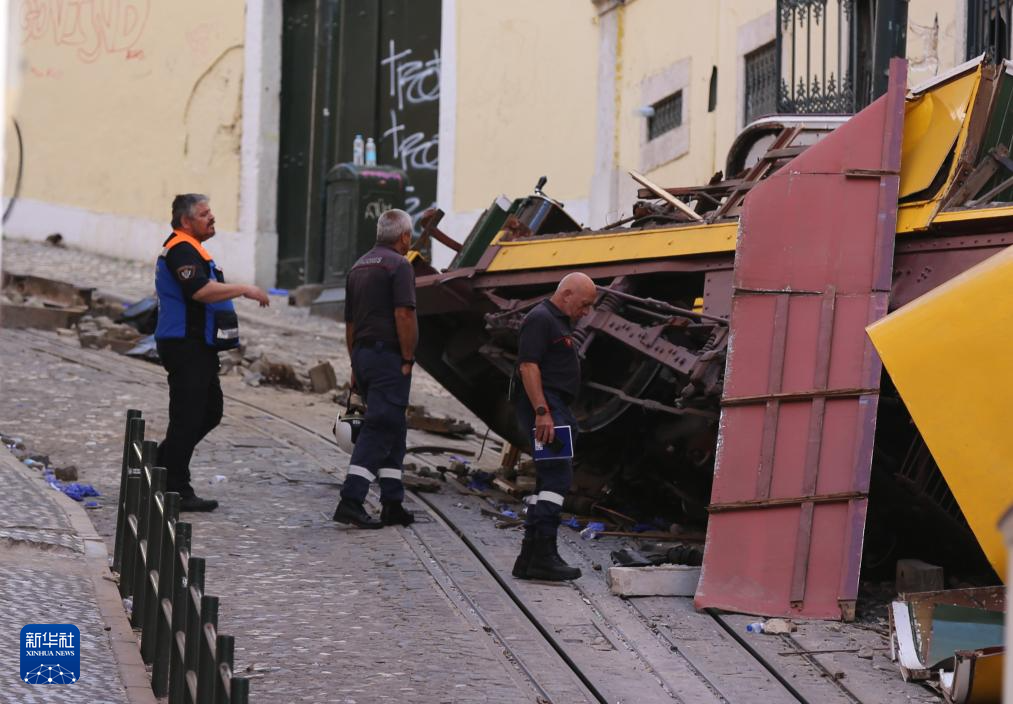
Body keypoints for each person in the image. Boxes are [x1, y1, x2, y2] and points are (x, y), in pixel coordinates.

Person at [154, 194, 270, 512]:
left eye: (210, 212)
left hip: (199, 346)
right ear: (186, 220)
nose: (212, 218)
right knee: (188, 416)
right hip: (184, 345)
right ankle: (176, 488)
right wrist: (244, 289)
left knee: (209, 412)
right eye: (204, 214)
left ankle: (161, 463)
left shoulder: (193, 249)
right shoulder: (181, 249)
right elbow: (200, 291)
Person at [332, 209, 417, 529]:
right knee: (380, 427)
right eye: (410, 236)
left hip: (364, 356)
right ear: (404, 236)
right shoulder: (399, 265)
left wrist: (355, 363)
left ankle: (392, 502)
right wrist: (407, 357)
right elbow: (404, 315)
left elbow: (350, 324)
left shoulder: (358, 267)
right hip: (388, 358)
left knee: (394, 426)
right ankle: (351, 500)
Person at [512, 272, 597, 581]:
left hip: (555, 406)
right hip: (547, 407)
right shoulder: (541, 319)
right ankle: (544, 555)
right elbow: (528, 366)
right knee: (558, 476)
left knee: (547, 478)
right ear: (567, 294)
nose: (586, 312)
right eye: (584, 304)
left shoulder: (556, 321)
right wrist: (542, 411)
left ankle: (529, 558)